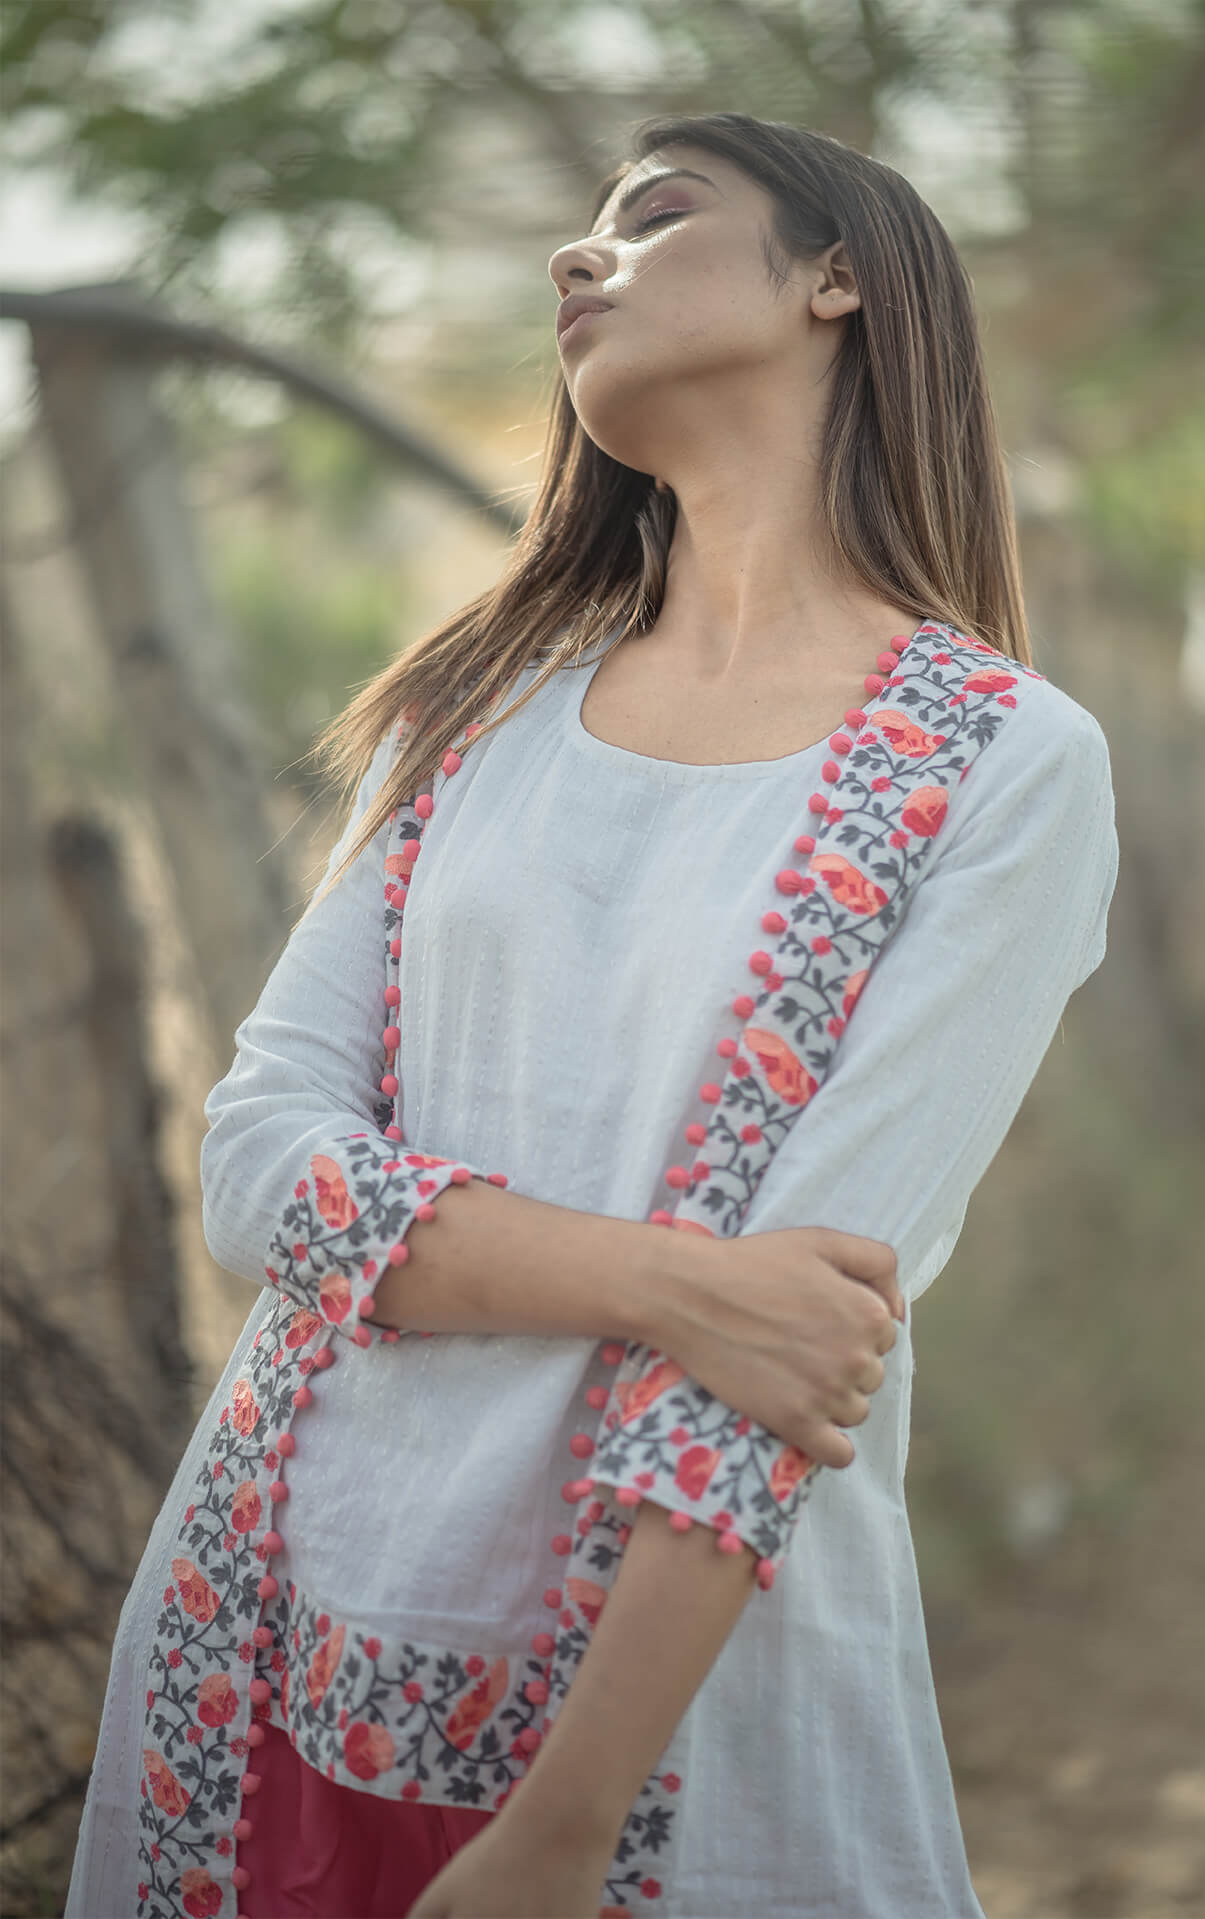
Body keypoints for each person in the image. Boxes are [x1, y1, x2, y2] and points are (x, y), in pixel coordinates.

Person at [66, 110, 1119, 1919]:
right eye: (582, 232)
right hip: (266, 1635)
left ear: (838, 277)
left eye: (653, 217)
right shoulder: (470, 713)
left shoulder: (999, 764)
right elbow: (258, 1167)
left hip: (673, 1719)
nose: (580, 259)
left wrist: (561, 1825)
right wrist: (672, 1283)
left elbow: (798, 1351)